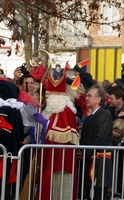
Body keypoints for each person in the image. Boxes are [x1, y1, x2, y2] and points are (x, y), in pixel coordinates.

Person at [34, 67, 79, 200]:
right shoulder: (54, 110)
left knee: (57, 188)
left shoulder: (64, 110)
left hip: (59, 156)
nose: (47, 97)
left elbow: (59, 133)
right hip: (51, 154)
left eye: (49, 95)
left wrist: (45, 123)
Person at [0, 79, 25, 200]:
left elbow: (5, 131)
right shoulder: (16, 111)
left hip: (3, 154)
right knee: (7, 188)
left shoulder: (3, 110)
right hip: (14, 153)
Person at [78, 85, 113, 200]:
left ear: (98, 99)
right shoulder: (90, 117)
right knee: (89, 193)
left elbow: (100, 138)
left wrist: (85, 153)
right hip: (90, 158)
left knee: (99, 194)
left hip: (99, 161)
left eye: (89, 96)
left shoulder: (104, 114)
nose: (86, 98)